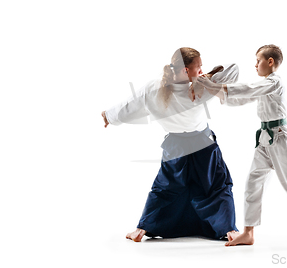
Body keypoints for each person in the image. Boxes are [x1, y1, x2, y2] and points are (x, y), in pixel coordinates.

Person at [101, 47, 239, 241]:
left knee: (165, 188)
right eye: (198, 67)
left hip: (176, 147)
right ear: (185, 70)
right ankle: (229, 230)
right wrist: (206, 80)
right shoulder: (201, 89)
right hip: (203, 145)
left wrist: (109, 116)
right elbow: (234, 70)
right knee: (217, 185)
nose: (201, 71)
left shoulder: (154, 88)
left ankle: (142, 229)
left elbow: (130, 105)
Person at [194, 44, 287, 251]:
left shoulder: (275, 82)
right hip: (264, 139)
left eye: (258, 61)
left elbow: (248, 89)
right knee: (253, 184)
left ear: (270, 61)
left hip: (280, 139)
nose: (255, 65)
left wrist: (210, 85)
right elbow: (241, 98)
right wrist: (213, 89)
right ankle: (248, 233)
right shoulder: (266, 85)